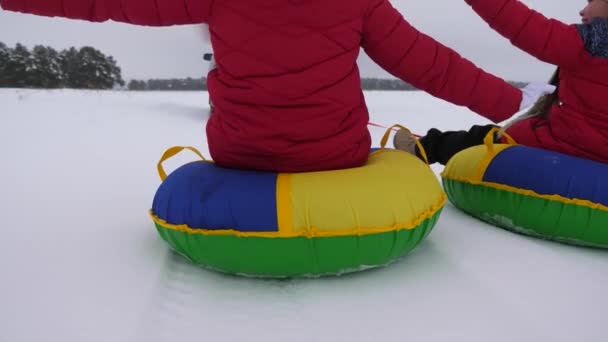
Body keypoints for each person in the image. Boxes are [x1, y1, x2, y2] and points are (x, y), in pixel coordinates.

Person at [0, 0, 551, 172]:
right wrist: (515, 103)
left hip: (241, 153)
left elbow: (105, 3)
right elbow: (430, 63)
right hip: (336, 156)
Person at [394, 0, 608, 165]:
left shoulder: (589, 42)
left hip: (555, 147)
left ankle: (420, 149)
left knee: (482, 137)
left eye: (591, 1)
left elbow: (519, 22)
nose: (582, 10)